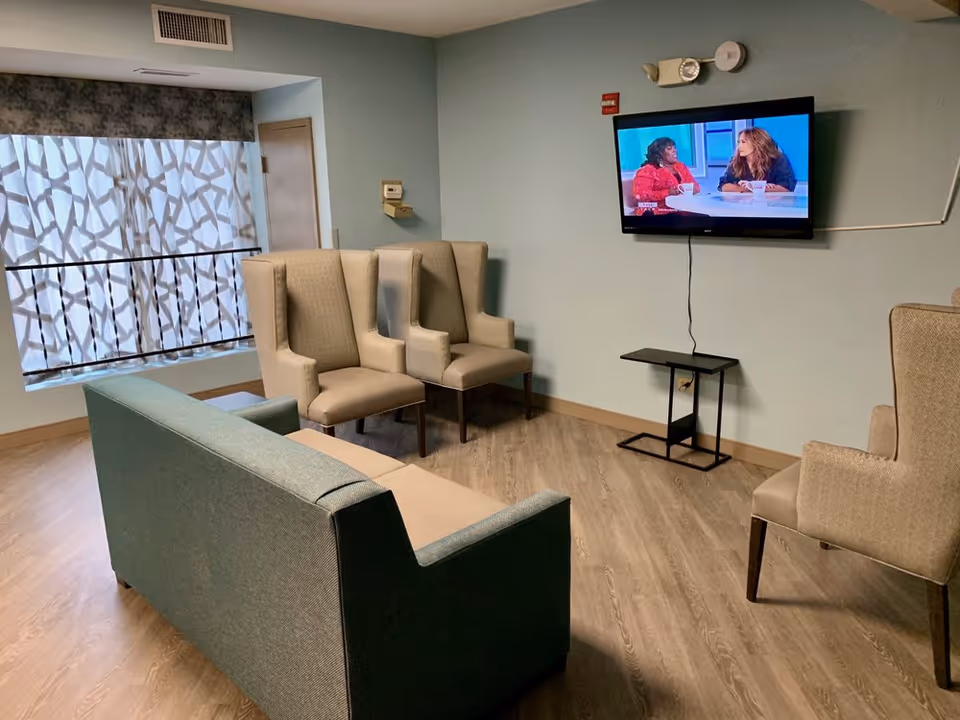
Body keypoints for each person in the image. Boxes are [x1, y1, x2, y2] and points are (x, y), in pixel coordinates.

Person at [632, 137, 700, 214]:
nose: (675, 151)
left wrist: (690, 190)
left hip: (682, 208)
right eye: (669, 149)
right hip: (657, 211)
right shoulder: (647, 170)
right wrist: (668, 192)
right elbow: (640, 195)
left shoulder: (680, 166)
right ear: (659, 153)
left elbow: (696, 187)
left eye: (675, 148)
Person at [718, 127, 797, 193]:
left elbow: (786, 188)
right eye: (738, 142)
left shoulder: (778, 159)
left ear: (757, 143)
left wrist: (754, 187)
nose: (739, 147)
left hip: (772, 207)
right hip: (744, 206)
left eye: (743, 142)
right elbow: (724, 186)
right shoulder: (736, 161)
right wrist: (751, 188)